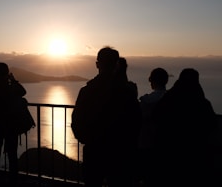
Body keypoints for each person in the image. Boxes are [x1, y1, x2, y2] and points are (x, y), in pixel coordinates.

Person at [71, 47, 142, 187]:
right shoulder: (127, 93)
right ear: (116, 65)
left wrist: (87, 139)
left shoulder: (86, 91)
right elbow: (136, 122)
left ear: (97, 64)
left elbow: (77, 121)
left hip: (94, 150)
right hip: (120, 152)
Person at [152, 68, 217, 187]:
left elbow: (156, 119)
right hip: (195, 159)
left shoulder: (168, 100)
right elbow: (211, 126)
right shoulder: (203, 104)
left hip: (168, 157)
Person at [137, 67, 169, 186]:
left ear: (151, 80)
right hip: (165, 146)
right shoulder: (172, 100)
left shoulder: (146, 101)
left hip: (146, 145)